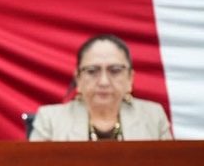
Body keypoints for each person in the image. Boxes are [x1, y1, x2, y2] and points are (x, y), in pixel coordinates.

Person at [30, 35, 172, 141]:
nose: (104, 82)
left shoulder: (153, 116)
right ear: (78, 78)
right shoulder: (50, 120)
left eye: (115, 70)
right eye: (92, 71)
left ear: (130, 78)